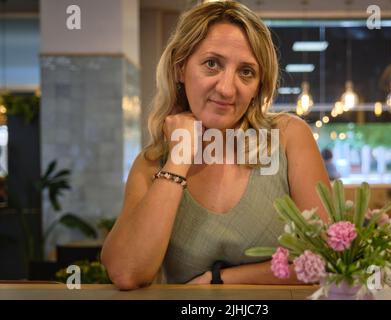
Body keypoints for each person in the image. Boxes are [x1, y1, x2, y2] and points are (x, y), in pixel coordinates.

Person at [101, 1, 330, 290]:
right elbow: (127, 272)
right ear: (180, 68)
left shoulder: (288, 137)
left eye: (246, 72)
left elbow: (327, 259)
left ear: (259, 86)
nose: (226, 88)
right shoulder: (152, 164)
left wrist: (220, 279)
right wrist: (178, 160)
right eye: (212, 64)